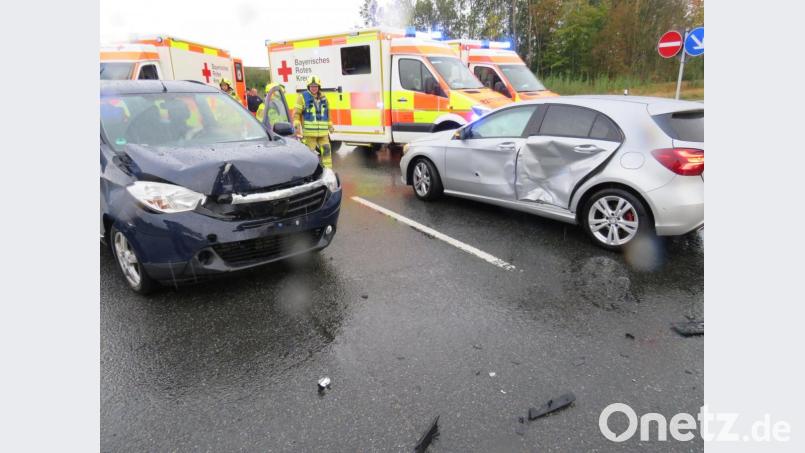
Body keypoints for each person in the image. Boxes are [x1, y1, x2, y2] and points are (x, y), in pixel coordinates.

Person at [294, 75, 333, 168]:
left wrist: (330, 125)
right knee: (310, 154)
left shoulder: (324, 97)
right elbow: (297, 112)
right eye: (312, 86)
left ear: (319, 87)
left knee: (327, 151)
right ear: (308, 87)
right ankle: (310, 172)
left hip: (323, 133)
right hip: (309, 133)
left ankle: (328, 170)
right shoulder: (302, 97)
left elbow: (328, 113)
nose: (314, 88)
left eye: (316, 86)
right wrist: (296, 122)